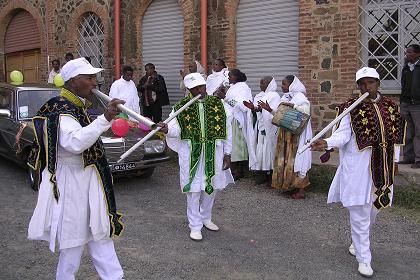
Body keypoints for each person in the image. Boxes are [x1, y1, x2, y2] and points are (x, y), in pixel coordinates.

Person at [27, 57, 125, 279]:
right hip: (71, 183)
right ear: (73, 82)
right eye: (89, 77)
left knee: (100, 233)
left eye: (94, 77)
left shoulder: (77, 105)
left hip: (89, 180)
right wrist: (105, 118)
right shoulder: (60, 108)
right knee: (73, 242)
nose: (94, 82)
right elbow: (75, 143)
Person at [310, 67, 405, 277]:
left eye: (370, 82)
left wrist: (395, 161)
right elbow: (342, 136)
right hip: (358, 170)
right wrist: (326, 142)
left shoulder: (391, 106)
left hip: (383, 170)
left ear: (378, 83)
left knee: (374, 211)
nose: (366, 87)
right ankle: (364, 258)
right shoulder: (350, 108)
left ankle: (357, 242)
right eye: (361, 83)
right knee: (360, 214)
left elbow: (395, 139)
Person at [158, 73, 233, 241]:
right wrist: (167, 129)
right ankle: (195, 225)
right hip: (192, 154)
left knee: (211, 187)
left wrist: (228, 153)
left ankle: (206, 217)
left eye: (202, 86)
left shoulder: (219, 105)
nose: (201, 90)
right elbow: (177, 130)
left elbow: (227, 130)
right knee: (193, 190)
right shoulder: (181, 107)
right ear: (189, 90)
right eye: (196, 88)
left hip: (214, 152)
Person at [259, 75, 312, 199]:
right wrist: (269, 109)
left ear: (292, 85)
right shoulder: (287, 97)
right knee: (288, 160)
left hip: (297, 135)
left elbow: (306, 110)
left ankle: (301, 190)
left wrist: (292, 105)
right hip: (286, 134)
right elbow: (282, 115)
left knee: (298, 160)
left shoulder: (300, 97)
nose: (282, 86)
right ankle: (290, 185)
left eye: (284, 84)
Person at [243, 76, 282, 184]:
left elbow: (273, 113)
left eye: (262, 83)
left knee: (270, 152)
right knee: (261, 152)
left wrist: (263, 110)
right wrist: (253, 109)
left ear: (269, 84)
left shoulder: (274, 96)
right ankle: (263, 174)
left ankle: (271, 176)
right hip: (261, 128)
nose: (260, 85)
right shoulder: (260, 96)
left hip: (270, 129)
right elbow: (258, 111)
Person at [224, 69, 257, 179]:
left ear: (236, 77)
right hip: (231, 118)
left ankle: (239, 171)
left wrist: (225, 98)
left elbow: (242, 105)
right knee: (231, 145)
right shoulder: (233, 87)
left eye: (230, 76)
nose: (228, 78)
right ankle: (233, 169)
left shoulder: (243, 88)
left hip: (238, 120)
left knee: (238, 147)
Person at [400, 44, 420, 168]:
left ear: (418, 54)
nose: (407, 54)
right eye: (406, 52)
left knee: (419, 133)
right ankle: (408, 157)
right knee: (407, 132)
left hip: (417, 104)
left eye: (410, 52)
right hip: (406, 103)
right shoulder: (406, 67)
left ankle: (418, 160)